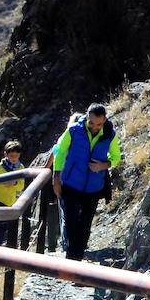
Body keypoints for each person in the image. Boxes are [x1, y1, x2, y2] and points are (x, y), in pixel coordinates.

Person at [52, 103, 122, 262]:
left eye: (98, 123)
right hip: (71, 184)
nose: (94, 127)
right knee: (70, 222)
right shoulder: (73, 131)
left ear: (104, 120)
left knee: (85, 223)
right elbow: (60, 152)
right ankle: (72, 260)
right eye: (91, 122)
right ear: (87, 117)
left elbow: (116, 157)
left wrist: (104, 165)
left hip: (94, 187)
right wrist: (56, 178)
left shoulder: (110, 134)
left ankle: (76, 258)